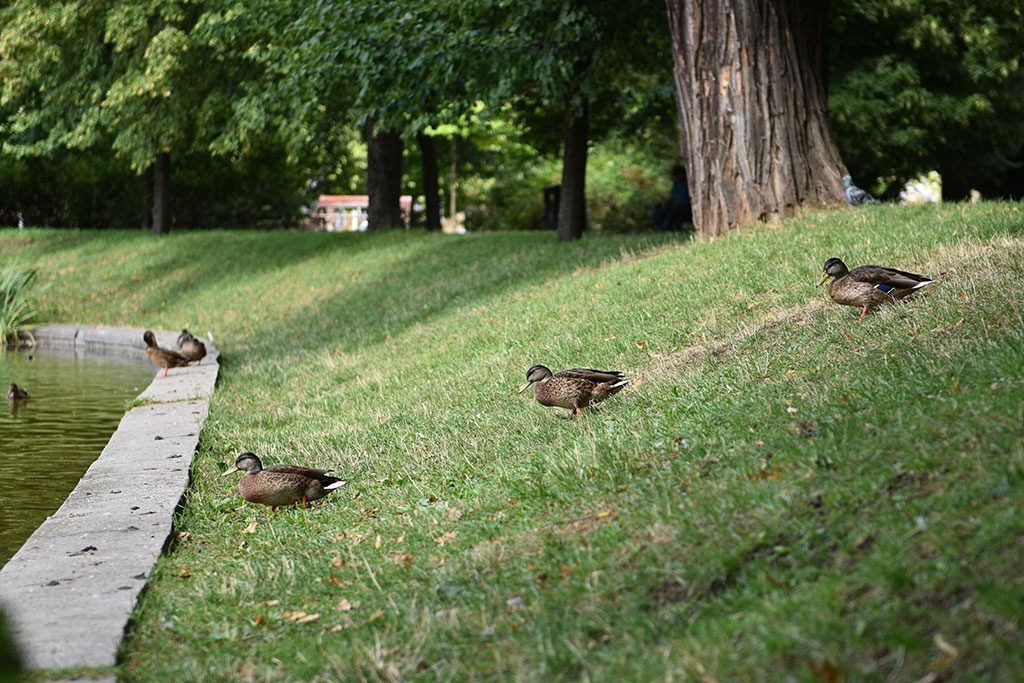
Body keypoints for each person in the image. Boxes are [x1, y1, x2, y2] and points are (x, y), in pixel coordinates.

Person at [653, 164, 692, 232]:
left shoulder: (689, 185)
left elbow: (690, 199)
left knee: (673, 213)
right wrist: (665, 204)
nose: (677, 177)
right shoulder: (676, 184)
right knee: (657, 214)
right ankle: (663, 229)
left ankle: (666, 229)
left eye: (678, 175)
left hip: (684, 206)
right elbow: (672, 197)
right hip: (674, 205)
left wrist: (680, 204)